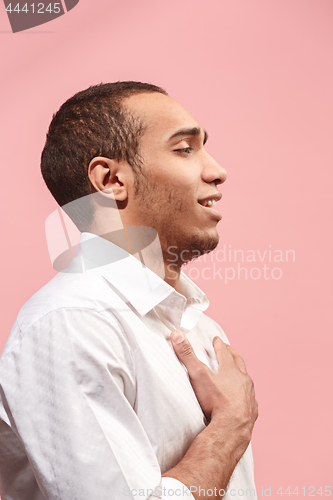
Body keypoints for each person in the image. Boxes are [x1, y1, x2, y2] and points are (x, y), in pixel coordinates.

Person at [0, 82, 258, 500]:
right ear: (111, 180)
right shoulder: (71, 323)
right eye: (184, 149)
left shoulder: (199, 326)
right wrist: (231, 426)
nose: (216, 170)